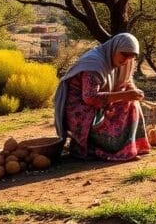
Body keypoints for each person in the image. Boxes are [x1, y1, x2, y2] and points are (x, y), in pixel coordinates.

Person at [52, 33, 150, 161]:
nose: (125, 60)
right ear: (115, 48)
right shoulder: (94, 64)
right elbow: (90, 97)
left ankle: (128, 147)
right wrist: (125, 95)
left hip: (99, 105)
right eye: (124, 55)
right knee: (126, 102)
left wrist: (133, 91)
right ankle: (108, 149)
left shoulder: (123, 61)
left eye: (130, 57)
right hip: (80, 112)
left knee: (132, 102)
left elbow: (126, 80)